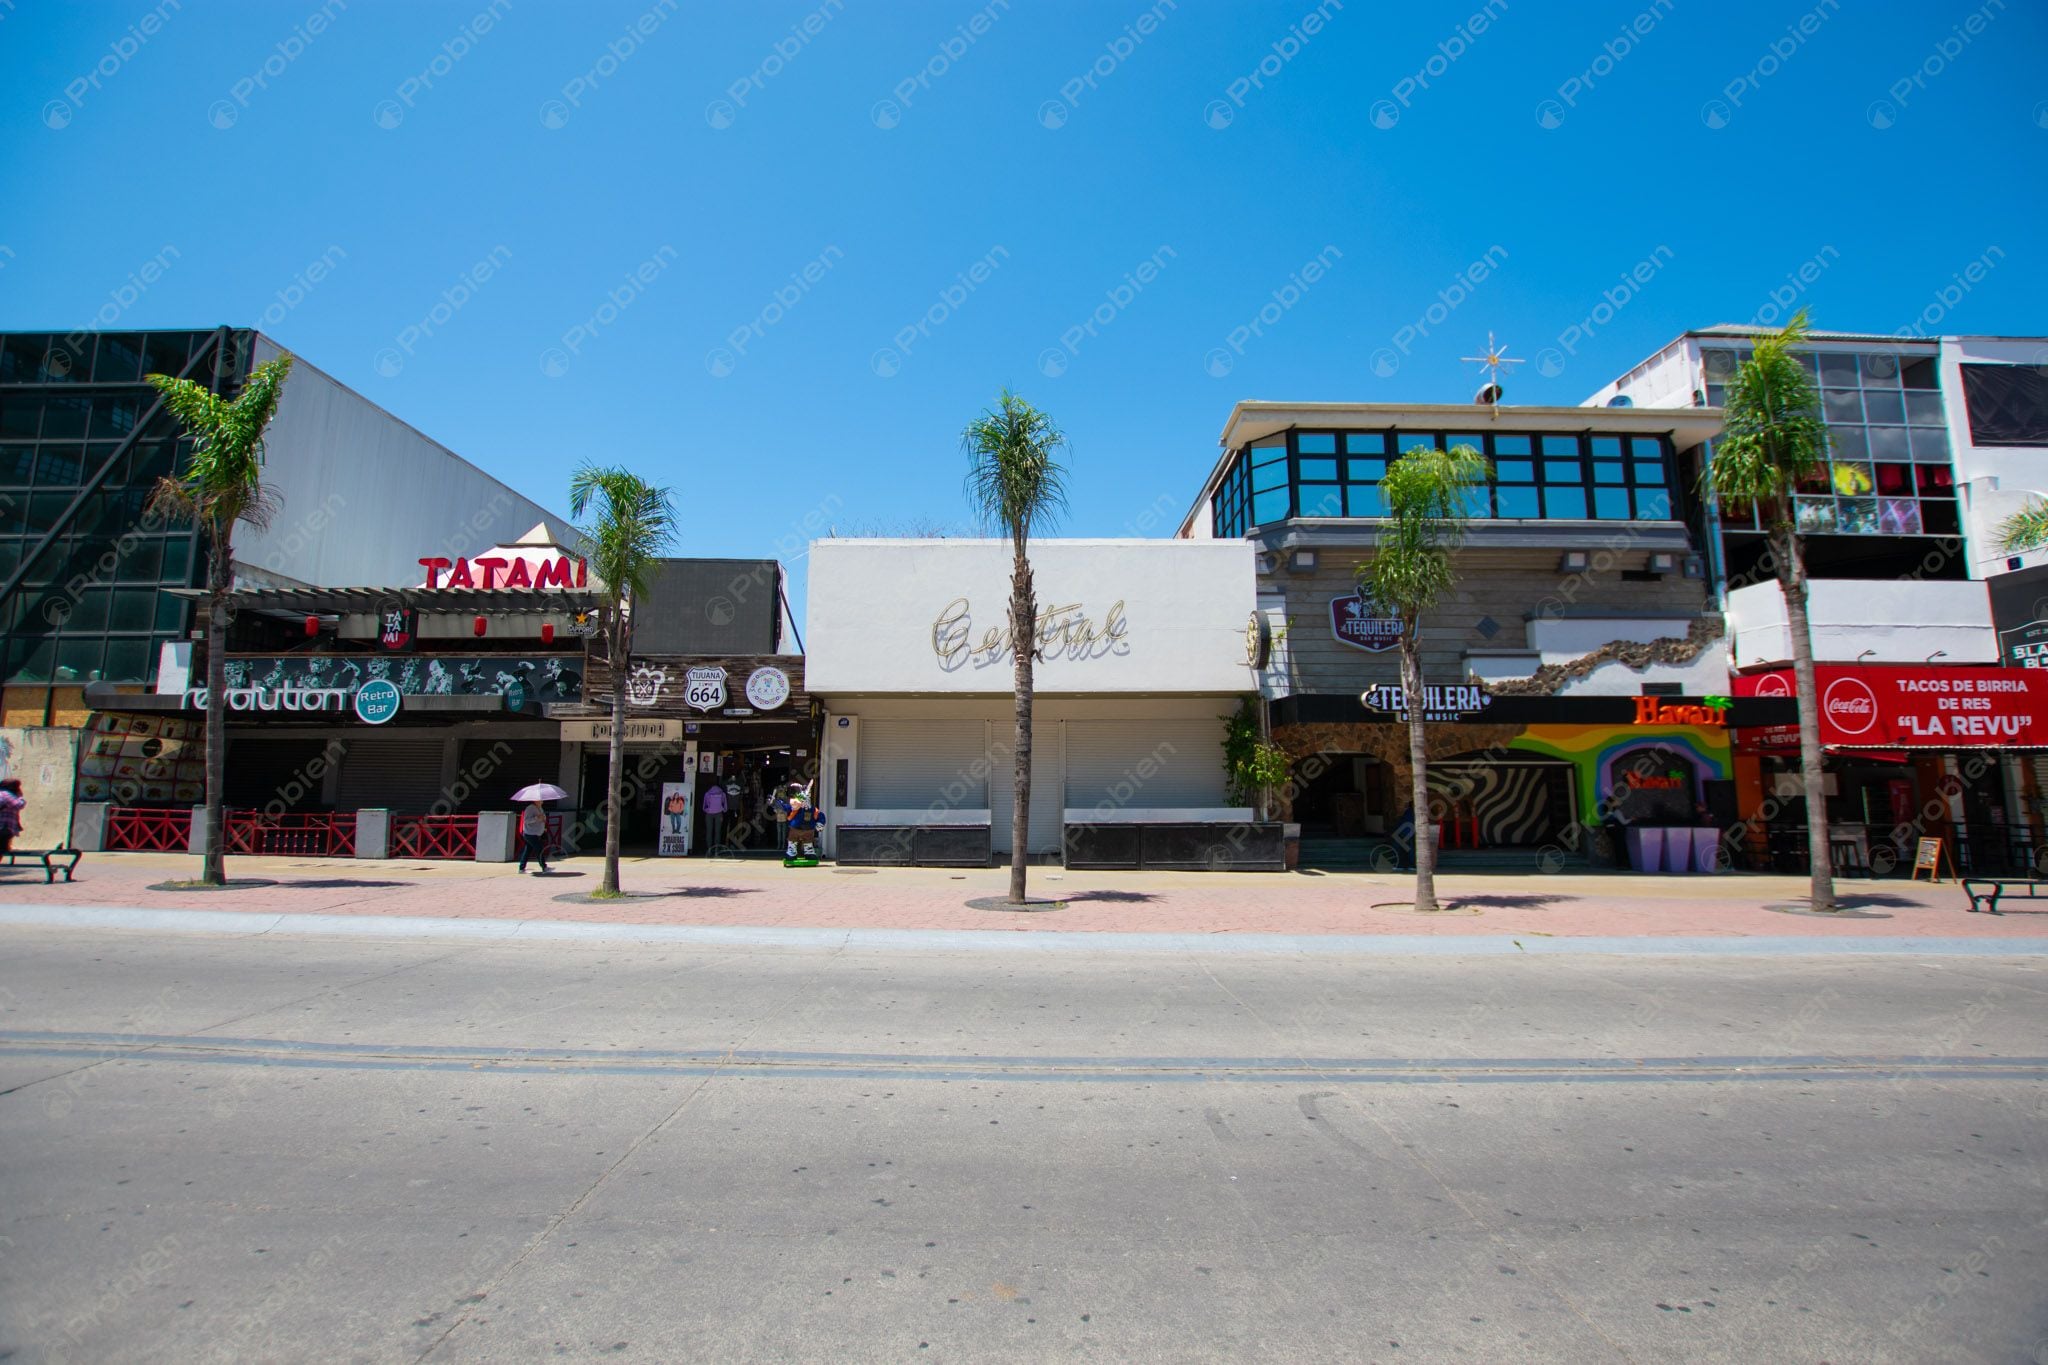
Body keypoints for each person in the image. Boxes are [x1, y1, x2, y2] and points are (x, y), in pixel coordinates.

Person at [517, 799, 549, 874]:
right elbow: (526, 821)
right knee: (539, 849)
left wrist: (543, 819)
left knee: (528, 850)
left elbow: (542, 817)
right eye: (540, 800)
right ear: (535, 800)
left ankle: (521, 868)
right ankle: (544, 867)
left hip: (536, 833)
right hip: (530, 833)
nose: (542, 801)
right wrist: (537, 818)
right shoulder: (530, 808)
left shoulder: (540, 808)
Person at [701, 779, 728, 853]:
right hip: (719, 813)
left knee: (709, 831)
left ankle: (709, 849)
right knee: (717, 832)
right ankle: (716, 850)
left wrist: (707, 810)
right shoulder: (722, 793)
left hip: (709, 814)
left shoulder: (707, 793)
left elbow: (704, 805)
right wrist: (724, 810)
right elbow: (725, 804)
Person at [0, 778, 24, 856]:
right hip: (3, 826)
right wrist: (20, 796)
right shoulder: (7, 794)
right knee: (2, 849)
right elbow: (18, 805)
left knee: (2, 849)